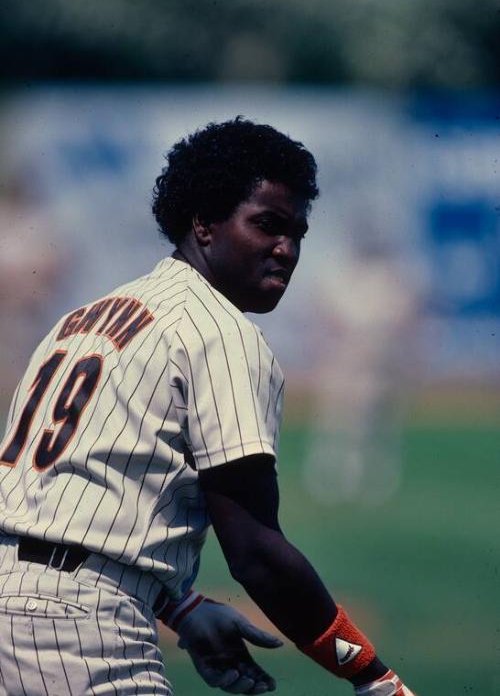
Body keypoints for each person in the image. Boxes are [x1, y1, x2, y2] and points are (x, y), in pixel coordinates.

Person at [0, 118, 416, 696]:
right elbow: (256, 554)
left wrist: (183, 606)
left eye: (297, 233)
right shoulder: (220, 334)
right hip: (79, 635)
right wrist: (372, 676)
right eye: (267, 225)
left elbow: (56, 509)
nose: (286, 249)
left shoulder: (83, 319)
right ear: (203, 223)